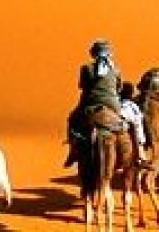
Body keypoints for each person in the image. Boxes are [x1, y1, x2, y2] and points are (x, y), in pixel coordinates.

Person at [63, 39, 123, 168]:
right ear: (109, 54)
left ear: (93, 54)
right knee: (127, 124)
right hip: (112, 104)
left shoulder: (86, 68)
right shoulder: (116, 70)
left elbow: (83, 86)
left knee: (72, 119)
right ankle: (136, 153)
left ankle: (73, 150)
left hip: (89, 102)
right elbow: (119, 88)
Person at [118, 83, 150, 167]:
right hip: (128, 124)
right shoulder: (132, 106)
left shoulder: (117, 102)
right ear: (130, 94)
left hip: (116, 122)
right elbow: (137, 119)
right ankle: (140, 158)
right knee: (138, 129)